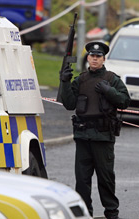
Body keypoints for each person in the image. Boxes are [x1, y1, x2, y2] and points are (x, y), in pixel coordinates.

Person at [60, 41, 130, 219]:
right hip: (83, 137)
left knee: (105, 179)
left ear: (103, 59)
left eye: (98, 56)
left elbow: (124, 101)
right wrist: (65, 82)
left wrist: (109, 91)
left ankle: (112, 213)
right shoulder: (81, 79)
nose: (94, 59)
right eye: (92, 56)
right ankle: (84, 214)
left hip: (103, 137)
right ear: (88, 58)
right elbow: (69, 104)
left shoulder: (111, 79)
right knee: (82, 181)